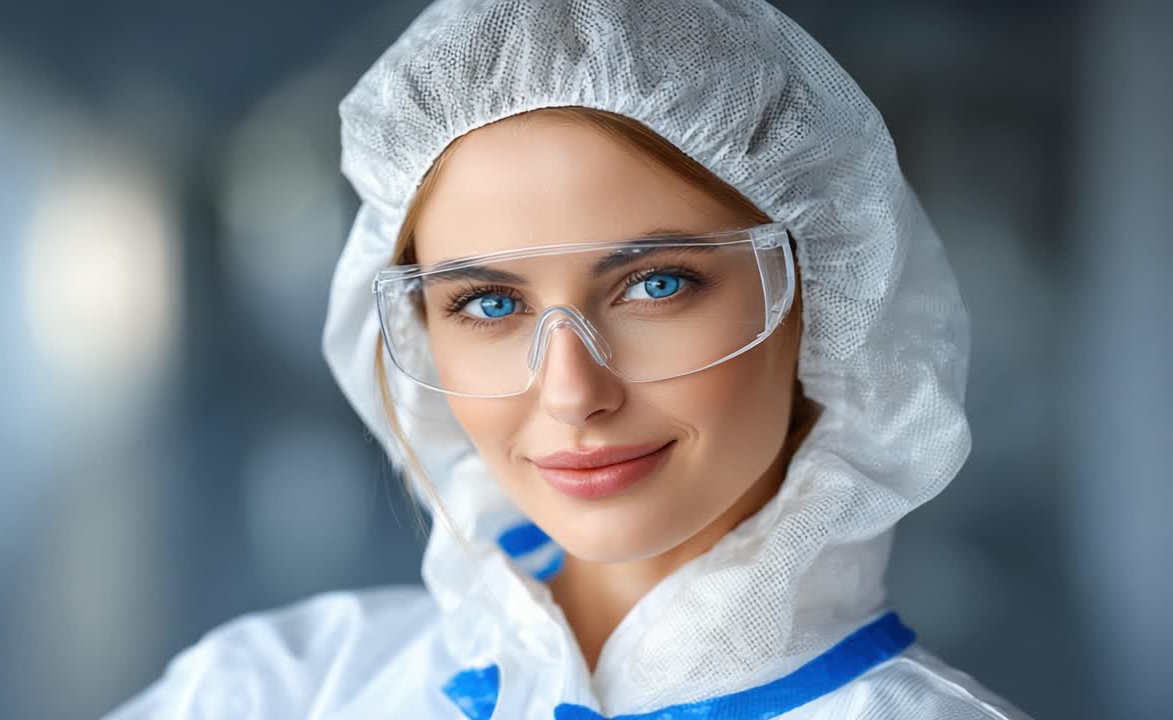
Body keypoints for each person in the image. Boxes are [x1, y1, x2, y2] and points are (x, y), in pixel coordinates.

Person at [106, 0, 1033, 717]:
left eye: (657, 285)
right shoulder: (270, 690)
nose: (571, 393)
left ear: (820, 294)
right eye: (489, 303)